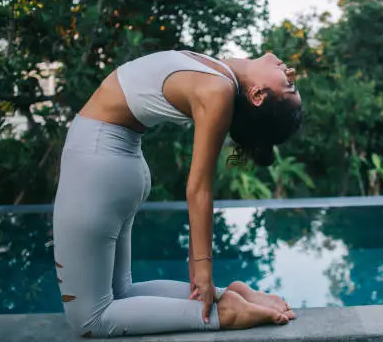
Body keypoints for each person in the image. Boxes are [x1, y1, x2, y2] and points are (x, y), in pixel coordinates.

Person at [52, 50, 303, 338]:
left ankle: (223, 313)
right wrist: (208, 283)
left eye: (289, 86)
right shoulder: (221, 74)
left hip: (97, 164)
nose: (291, 73)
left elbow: (199, 187)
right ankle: (227, 297)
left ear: (257, 95)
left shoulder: (218, 88)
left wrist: (201, 268)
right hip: (112, 163)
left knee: (89, 320)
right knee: (120, 293)